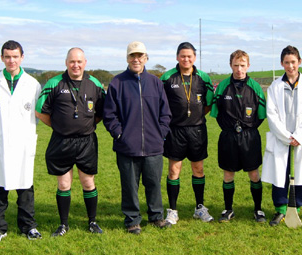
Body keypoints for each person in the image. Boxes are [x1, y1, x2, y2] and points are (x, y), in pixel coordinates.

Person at [103, 41, 172, 235]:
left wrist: (160, 133)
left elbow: (165, 113)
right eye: (132, 56)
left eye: (140, 56)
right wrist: (120, 134)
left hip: (153, 145)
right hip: (127, 147)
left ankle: (156, 216)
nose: (136, 59)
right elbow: (109, 115)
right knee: (129, 185)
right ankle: (132, 220)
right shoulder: (117, 83)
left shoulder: (156, 83)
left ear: (146, 58)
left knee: (153, 183)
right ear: (127, 58)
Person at [35, 47, 105, 236]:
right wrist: (58, 126)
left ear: (85, 63)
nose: (76, 65)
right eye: (72, 61)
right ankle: (63, 224)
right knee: (64, 185)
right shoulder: (54, 82)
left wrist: (87, 125)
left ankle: (92, 222)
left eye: (79, 61)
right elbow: (40, 111)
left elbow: (102, 111)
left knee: (88, 182)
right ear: (66, 63)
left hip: (86, 142)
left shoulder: (95, 83)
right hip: (62, 141)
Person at [0, 40, 42, 244]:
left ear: (22, 57)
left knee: (25, 186)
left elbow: (35, 115)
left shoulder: (32, 84)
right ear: (2, 58)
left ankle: (28, 226)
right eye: (7, 56)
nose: (11, 60)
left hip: (22, 143)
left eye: (15, 56)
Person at [262, 46, 302, 226]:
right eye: (286, 62)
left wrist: (300, 136)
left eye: (293, 62)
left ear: (299, 62)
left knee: (301, 173)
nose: (290, 66)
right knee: (280, 174)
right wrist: (287, 137)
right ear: (282, 64)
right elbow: (271, 114)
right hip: (281, 139)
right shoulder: (275, 86)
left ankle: (296, 208)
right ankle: (280, 209)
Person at [160, 42, 215, 225]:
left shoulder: (203, 78)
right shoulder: (167, 78)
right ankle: (173, 210)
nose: (186, 59)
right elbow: (160, 104)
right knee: (174, 170)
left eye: (189, 56)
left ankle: (199, 208)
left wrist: (196, 116)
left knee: (198, 169)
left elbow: (208, 103)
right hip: (175, 130)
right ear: (177, 57)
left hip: (197, 130)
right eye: (183, 56)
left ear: (195, 58)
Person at [210, 50, 267, 223]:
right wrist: (228, 129)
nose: (239, 69)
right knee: (228, 174)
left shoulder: (255, 87)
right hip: (228, 136)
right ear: (231, 65)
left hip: (250, 136)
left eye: (243, 65)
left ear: (248, 66)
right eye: (236, 65)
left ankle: (258, 209)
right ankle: (228, 209)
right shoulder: (222, 86)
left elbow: (262, 114)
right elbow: (215, 112)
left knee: (254, 174)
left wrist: (248, 128)